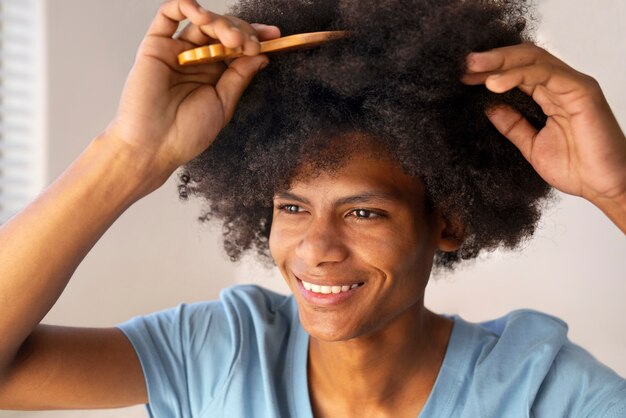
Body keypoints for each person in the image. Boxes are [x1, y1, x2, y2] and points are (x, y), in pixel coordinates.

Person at [0, 0, 625, 416]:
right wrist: (129, 153)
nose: (316, 250)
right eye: (293, 207)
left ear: (449, 221)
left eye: (363, 213)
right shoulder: (221, 352)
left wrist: (616, 192)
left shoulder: (537, 390)